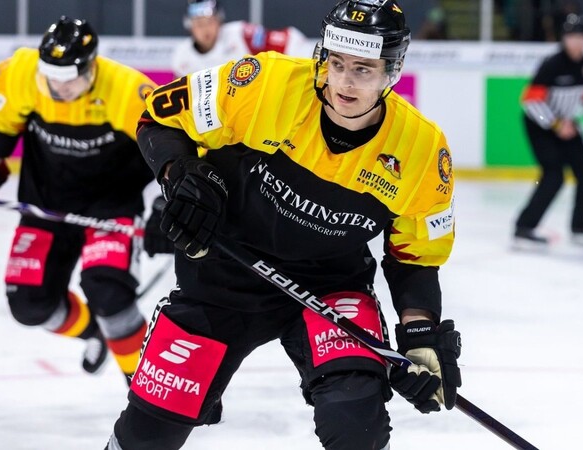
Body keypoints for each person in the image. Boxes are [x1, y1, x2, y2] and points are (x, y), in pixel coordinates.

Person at [105, 1, 461, 448]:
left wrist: (420, 330)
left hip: (329, 289)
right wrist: (183, 178)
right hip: (223, 273)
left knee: (357, 423)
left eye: (364, 69)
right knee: (147, 434)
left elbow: (415, 256)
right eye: (337, 63)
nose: (345, 82)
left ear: (393, 70)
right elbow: (159, 117)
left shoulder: (422, 153)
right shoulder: (266, 84)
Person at [0, 17, 156, 379]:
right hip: (45, 204)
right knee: (30, 305)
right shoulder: (19, 74)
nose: (59, 88)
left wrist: (172, 204)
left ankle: (147, 392)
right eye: (51, 78)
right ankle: (95, 332)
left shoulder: (126, 88)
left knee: (109, 292)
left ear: (91, 67)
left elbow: (171, 149)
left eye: (69, 79)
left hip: (110, 208)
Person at [513, 13, 583, 247]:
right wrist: (555, 124)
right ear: (564, 39)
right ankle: (524, 228)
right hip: (540, 125)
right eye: (572, 37)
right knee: (554, 176)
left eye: (581, 37)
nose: (577, 42)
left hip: (566, 124)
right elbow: (530, 101)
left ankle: (580, 228)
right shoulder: (552, 64)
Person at [171, 0, 311, 77]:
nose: (205, 29)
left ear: (219, 20)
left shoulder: (241, 34)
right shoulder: (181, 56)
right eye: (199, 24)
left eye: (210, 22)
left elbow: (290, 40)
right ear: (189, 26)